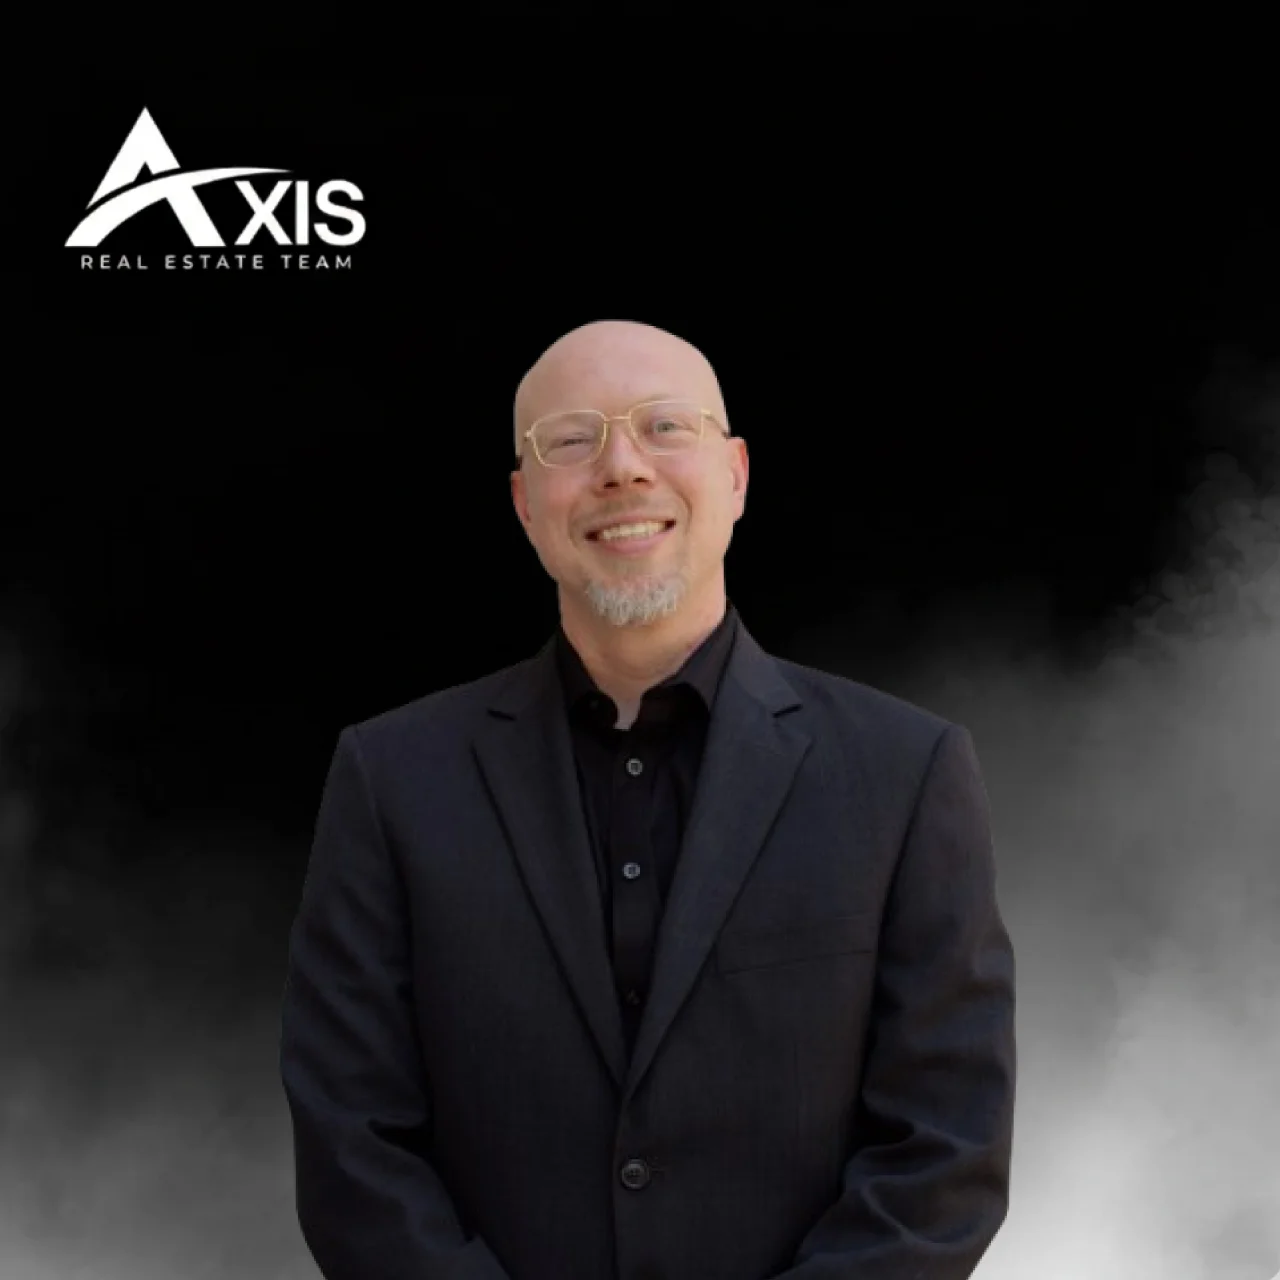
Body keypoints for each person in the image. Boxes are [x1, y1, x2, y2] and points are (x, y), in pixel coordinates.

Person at [279, 320, 1017, 1280]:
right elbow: (353, 1142)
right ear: (524, 503)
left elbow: (944, 1148)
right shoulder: (390, 778)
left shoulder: (908, 772)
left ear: (737, 475)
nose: (622, 467)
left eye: (665, 426)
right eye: (571, 439)